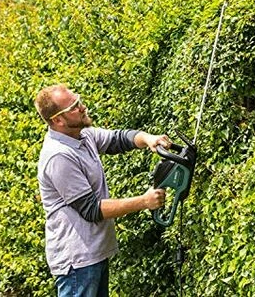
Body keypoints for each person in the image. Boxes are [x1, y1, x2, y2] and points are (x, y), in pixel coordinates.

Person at [35, 84, 170, 297]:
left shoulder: (83, 136)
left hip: (92, 254)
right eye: (73, 107)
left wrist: (148, 139)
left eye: (78, 101)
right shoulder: (59, 156)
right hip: (77, 261)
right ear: (58, 120)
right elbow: (91, 209)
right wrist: (144, 201)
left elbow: (118, 139)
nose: (82, 107)